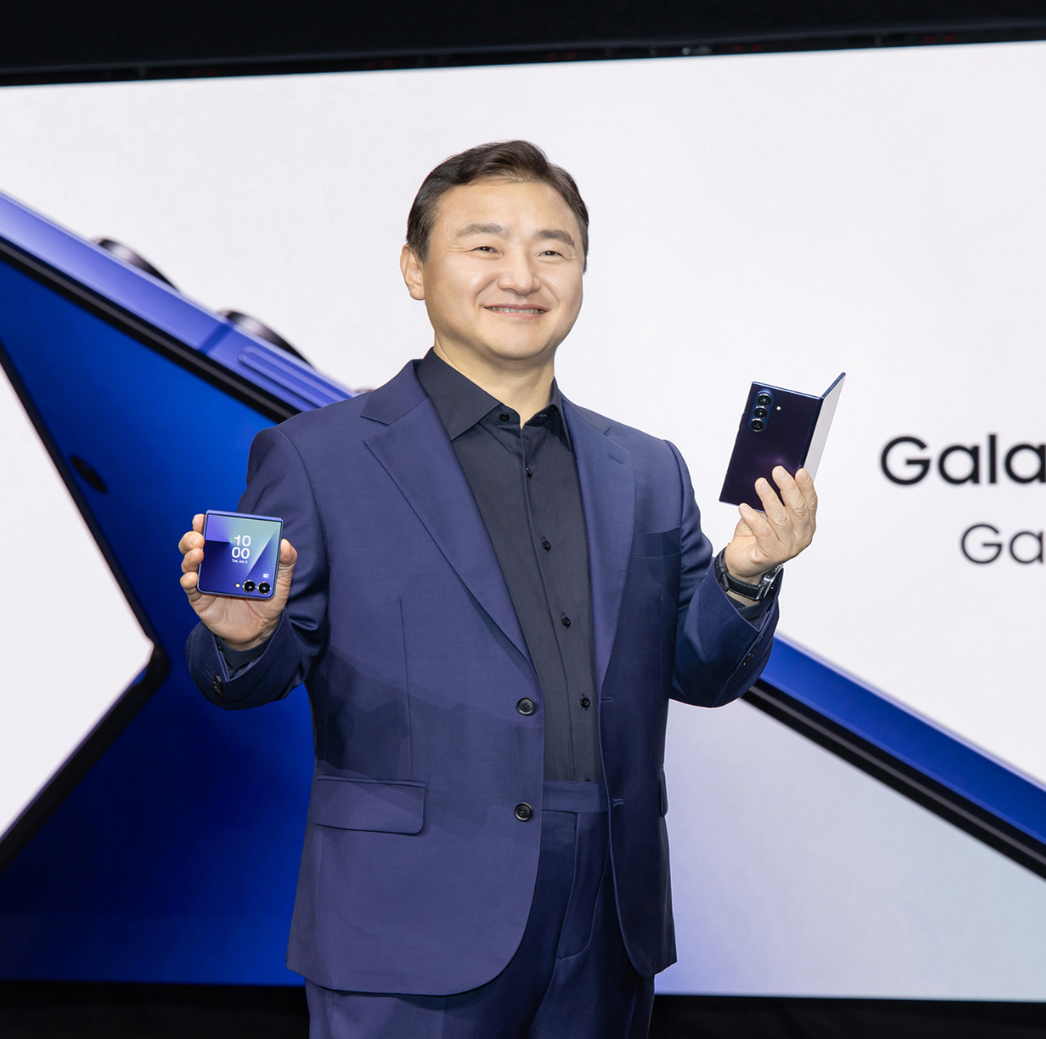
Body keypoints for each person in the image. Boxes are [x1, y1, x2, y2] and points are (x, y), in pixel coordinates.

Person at [175, 140, 817, 1039]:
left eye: (552, 249)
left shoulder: (646, 467)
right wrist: (242, 637)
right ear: (414, 269)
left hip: (608, 915)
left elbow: (699, 672)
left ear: (581, 273)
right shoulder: (311, 455)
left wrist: (744, 578)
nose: (522, 275)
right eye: (484, 246)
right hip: (409, 916)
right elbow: (244, 673)